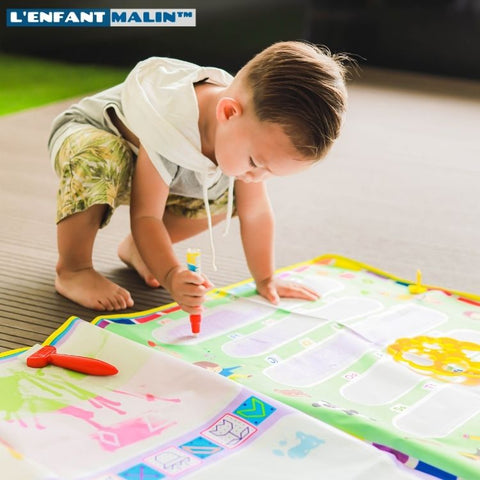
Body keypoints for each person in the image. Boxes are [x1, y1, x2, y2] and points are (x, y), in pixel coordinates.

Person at [48, 41, 348, 314]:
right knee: (102, 155)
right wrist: (171, 274)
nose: (258, 177)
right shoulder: (169, 125)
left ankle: (140, 251)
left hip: (158, 169)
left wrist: (266, 278)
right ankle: (74, 269)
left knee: (233, 194)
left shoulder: (245, 131)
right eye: (257, 163)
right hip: (92, 142)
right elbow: (145, 217)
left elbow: (255, 213)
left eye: (271, 172)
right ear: (229, 112)